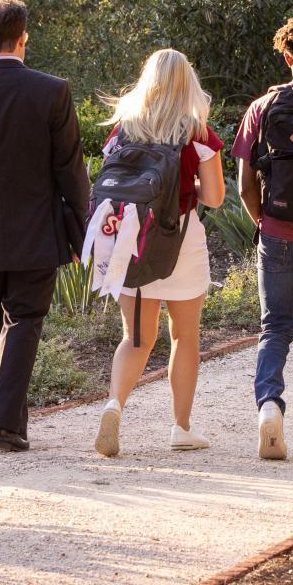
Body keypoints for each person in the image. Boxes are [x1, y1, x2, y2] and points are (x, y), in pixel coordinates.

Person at [0, 0, 91, 453]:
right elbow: (70, 170)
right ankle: (3, 426)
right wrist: (81, 232)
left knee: (4, 320)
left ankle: (0, 419)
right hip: (36, 231)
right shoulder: (52, 91)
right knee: (23, 320)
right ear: (24, 39)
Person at [90, 49, 226, 457]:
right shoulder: (198, 132)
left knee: (135, 338)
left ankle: (114, 405)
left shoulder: (122, 129)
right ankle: (181, 428)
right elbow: (216, 198)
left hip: (132, 242)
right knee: (184, 336)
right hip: (181, 241)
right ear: (188, 83)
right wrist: (189, 190)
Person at [233, 17, 293, 460]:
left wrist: (263, 221)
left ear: (287, 58)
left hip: (276, 232)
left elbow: (243, 182)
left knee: (275, 328)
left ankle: (270, 405)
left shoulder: (263, 106)